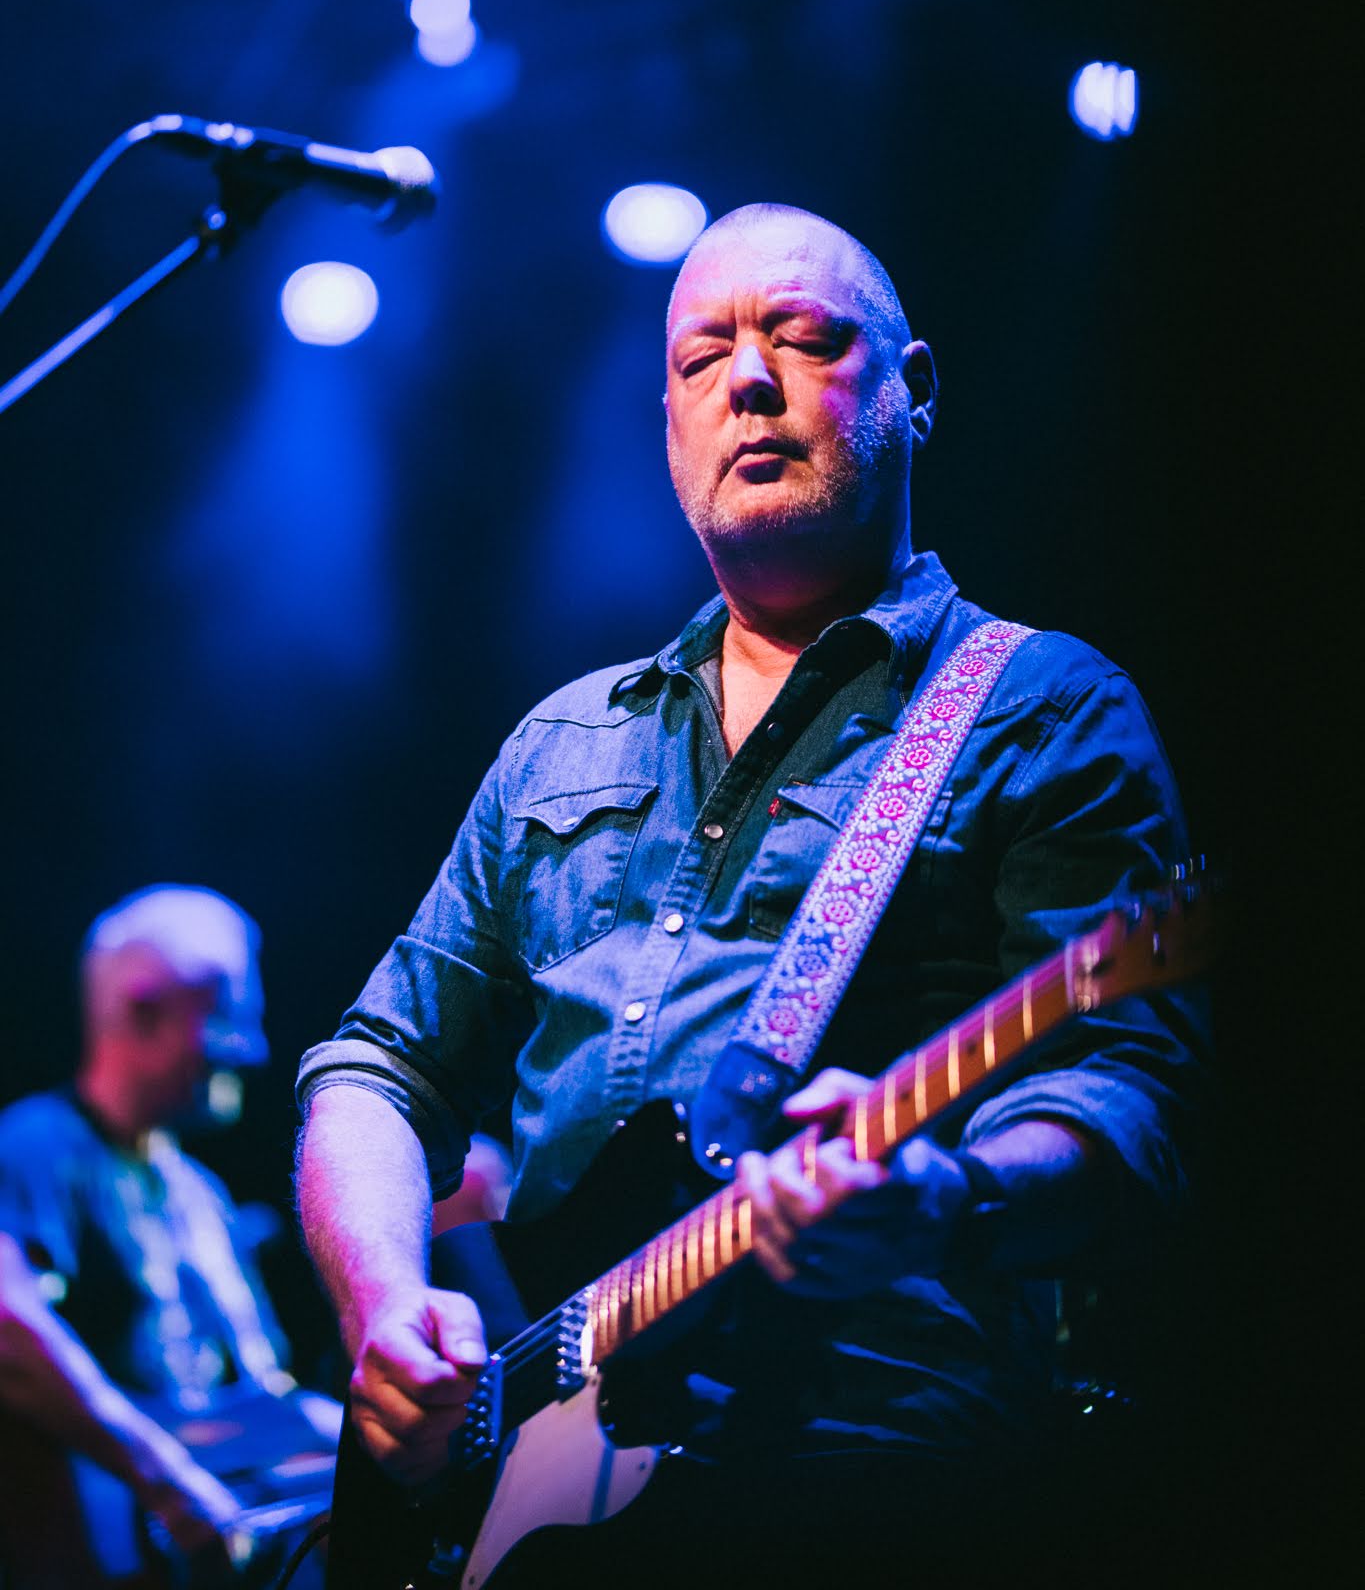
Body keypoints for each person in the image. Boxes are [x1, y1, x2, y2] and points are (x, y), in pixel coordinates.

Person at [294, 205, 1208, 1584]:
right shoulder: (564, 740)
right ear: (668, 421)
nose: (751, 379)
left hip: (875, 1461)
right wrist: (384, 1310)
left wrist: (946, 1191)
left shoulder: (1038, 706)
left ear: (916, 388)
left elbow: (1126, 1087)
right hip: (530, 1468)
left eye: (804, 338)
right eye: (703, 354)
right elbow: (378, 1065)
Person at [0, 885, 339, 1585]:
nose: (251, 1050)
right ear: (142, 1012)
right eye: (226, 1017)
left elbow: (254, 1392)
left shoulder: (200, 1193)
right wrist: (165, 1481)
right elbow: (7, 1325)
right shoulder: (35, 1147)